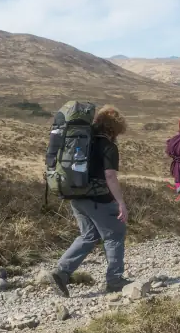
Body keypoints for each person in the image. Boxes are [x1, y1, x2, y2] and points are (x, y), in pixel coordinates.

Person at [48, 105, 130, 298]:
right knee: (115, 235)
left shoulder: (83, 142)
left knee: (89, 235)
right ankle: (115, 280)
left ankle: (62, 272)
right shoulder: (109, 146)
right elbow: (109, 176)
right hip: (99, 199)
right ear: (114, 129)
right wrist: (121, 202)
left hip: (76, 195)